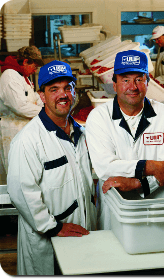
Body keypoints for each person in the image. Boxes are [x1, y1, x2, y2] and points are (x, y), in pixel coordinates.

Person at [7, 60, 97, 275]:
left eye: (68, 87)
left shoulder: (81, 133)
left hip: (82, 232)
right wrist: (54, 227)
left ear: (75, 92)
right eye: (54, 89)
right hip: (49, 236)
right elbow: (21, 193)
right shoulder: (28, 140)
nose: (63, 95)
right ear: (42, 95)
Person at [85, 50, 164, 230]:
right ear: (114, 84)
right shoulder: (99, 117)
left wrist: (139, 183)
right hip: (114, 208)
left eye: (139, 79)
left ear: (148, 82)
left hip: (157, 206)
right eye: (125, 80)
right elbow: (106, 167)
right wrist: (151, 166)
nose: (133, 86)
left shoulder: (163, 113)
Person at [0, 46, 44, 174]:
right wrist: (47, 113)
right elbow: (20, 106)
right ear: (25, 62)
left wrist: (43, 97)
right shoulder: (10, 76)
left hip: (23, 127)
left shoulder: (23, 76)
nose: (35, 69)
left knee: (27, 170)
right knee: (16, 172)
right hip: (12, 130)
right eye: (34, 65)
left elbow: (29, 98)